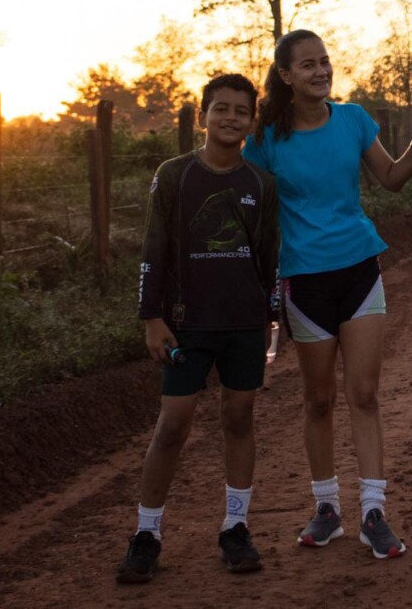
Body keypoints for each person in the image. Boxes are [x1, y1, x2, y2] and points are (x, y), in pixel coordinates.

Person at [242, 29, 412, 560]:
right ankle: (327, 509)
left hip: (359, 270)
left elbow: (391, 178)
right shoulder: (266, 139)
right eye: (307, 65)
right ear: (286, 76)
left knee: (364, 395)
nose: (320, 71)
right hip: (304, 280)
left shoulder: (353, 119)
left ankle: (374, 513)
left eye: (324, 61)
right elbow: (249, 206)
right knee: (319, 400)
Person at [117, 74, 279, 583]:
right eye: (221, 108)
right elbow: (154, 247)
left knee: (239, 417)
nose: (230, 118)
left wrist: (270, 318)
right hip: (186, 325)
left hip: (244, 324)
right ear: (204, 114)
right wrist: (152, 316)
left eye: (241, 111)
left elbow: (269, 258)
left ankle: (236, 528)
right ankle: (146, 534)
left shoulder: (260, 183)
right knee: (172, 426)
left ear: (252, 122)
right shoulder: (174, 175)